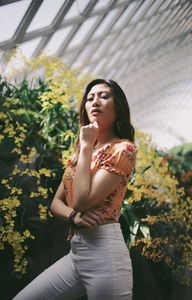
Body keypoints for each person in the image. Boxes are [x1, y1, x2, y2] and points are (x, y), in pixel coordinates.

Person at [13, 78, 137, 300]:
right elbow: (56, 204)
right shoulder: (79, 152)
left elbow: (81, 201)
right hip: (77, 252)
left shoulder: (123, 149)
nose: (95, 101)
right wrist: (73, 217)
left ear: (118, 106)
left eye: (104, 96)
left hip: (105, 255)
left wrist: (87, 146)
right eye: (90, 98)